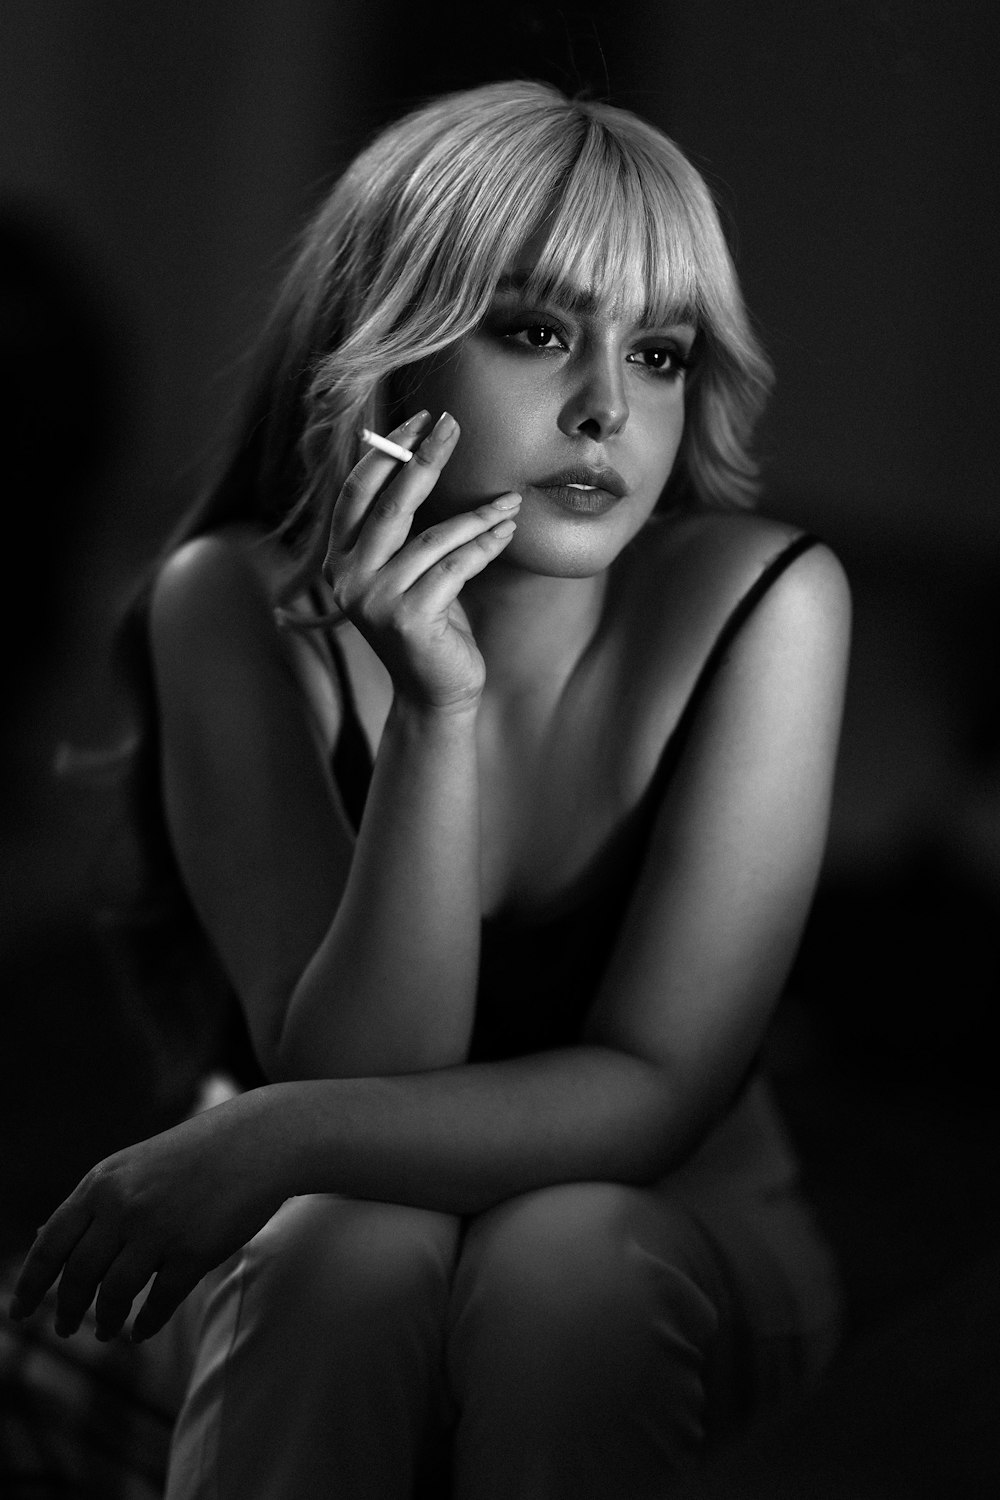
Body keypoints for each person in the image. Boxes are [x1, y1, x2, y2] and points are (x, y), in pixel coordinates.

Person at [10, 79, 851, 1499]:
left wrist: (268, 1129)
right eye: (534, 333)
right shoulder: (229, 601)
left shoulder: (765, 603)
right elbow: (360, 1072)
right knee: (342, 1246)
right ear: (383, 348)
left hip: (684, 1228)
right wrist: (436, 715)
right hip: (330, 1224)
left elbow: (658, 1096)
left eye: (657, 352)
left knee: (567, 1260)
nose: (605, 409)